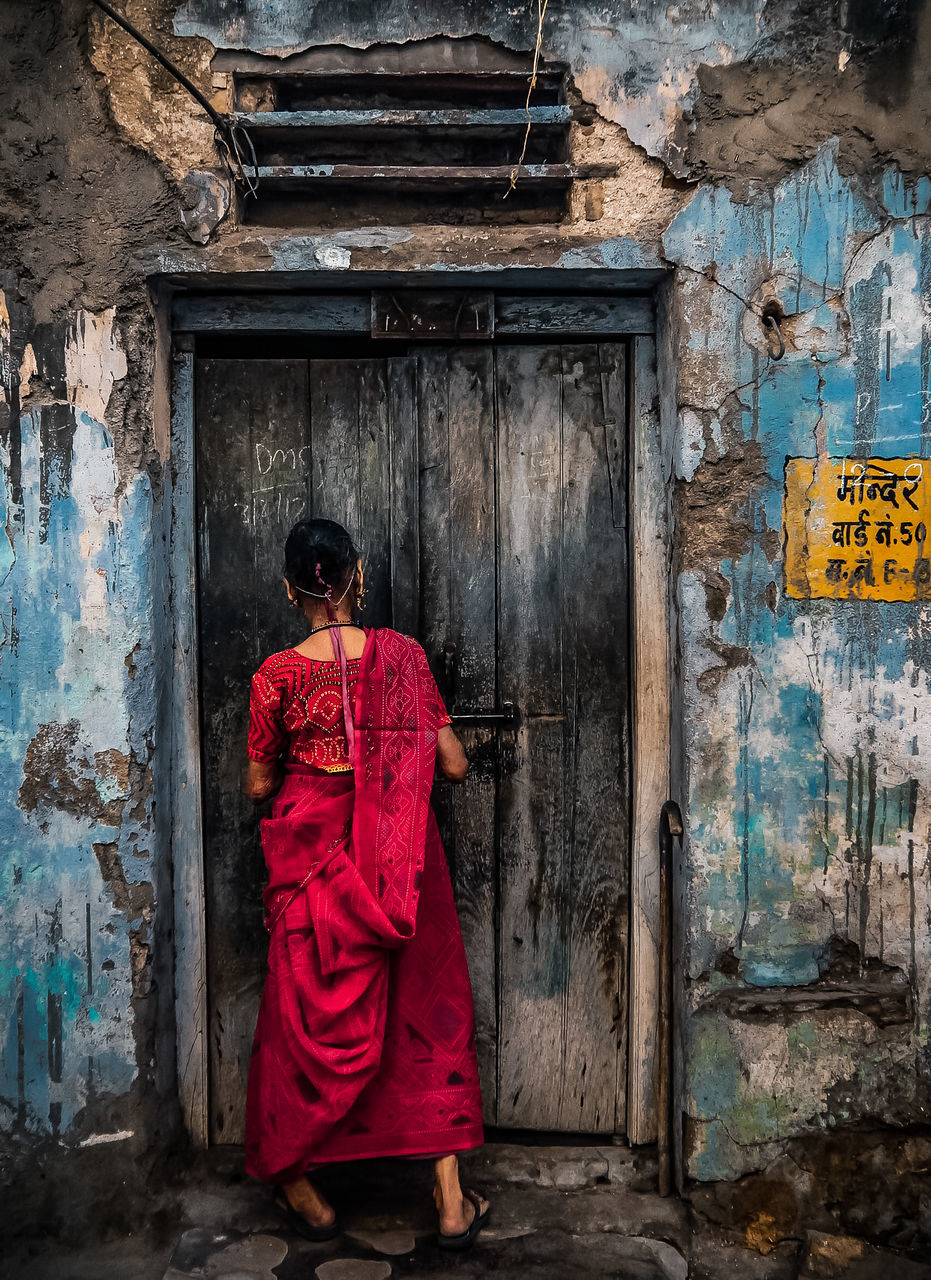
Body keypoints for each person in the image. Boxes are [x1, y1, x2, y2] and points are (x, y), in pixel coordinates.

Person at [243, 517, 489, 1250]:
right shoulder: (403, 657)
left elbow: (259, 785)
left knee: (297, 1020)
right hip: (397, 865)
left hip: (311, 869)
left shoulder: (275, 678)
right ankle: (449, 1202)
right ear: (358, 576)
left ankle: (305, 1195)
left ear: (291, 588)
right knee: (427, 1009)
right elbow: (451, 765)